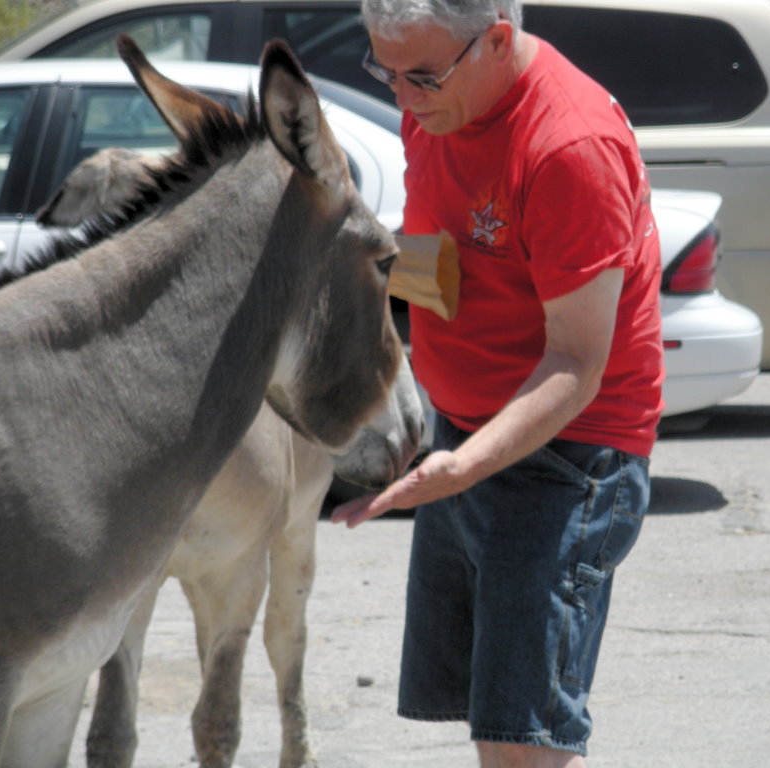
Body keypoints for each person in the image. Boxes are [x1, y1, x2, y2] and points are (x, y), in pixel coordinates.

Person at [331, 0, 664, 764]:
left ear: (498, 40)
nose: (401, 98)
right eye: (384, 70)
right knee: (496, 724)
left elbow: (577, 362)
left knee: (522, 743)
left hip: (567, 457)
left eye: (420, 76)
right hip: (464, 434)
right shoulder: (437, 102)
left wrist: (463, 466)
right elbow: (447, 248)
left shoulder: (569, 147)